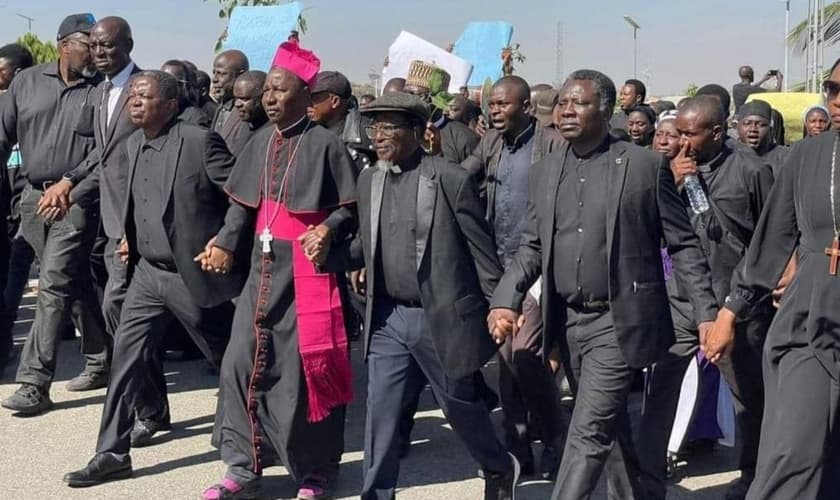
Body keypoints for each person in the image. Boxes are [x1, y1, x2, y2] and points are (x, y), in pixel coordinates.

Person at [488, 69, 718, 500]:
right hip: (569, 321)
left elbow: (684, 244)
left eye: (580, 103)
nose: (567, 110)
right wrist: (506, 299)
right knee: (613, 427)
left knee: (588, 429)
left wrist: (706, 313)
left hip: (620, 320)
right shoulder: (546, 171)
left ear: (606, 109)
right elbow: (532, 248)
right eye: (563, 103)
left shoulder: (644, 167)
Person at [322, 91, 520, 500]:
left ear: (417, 131)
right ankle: (377, 494)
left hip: (440, 318)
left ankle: (499, 465)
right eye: (373, 127)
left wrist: (500, 305)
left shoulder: (450, 179)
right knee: (382, 414)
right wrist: (329, 255)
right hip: (388, 318)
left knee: (460, 407)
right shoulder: (370, 178)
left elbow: (482, 254)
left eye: (388, 127)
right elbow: (366, 246)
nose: (377, 136)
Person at [62, 69, 244, 488]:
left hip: (190, 275)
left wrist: (225, 241)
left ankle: (263, 428)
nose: (134, 102)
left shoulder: (200, 142)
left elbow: (239, 197)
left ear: (170, 105)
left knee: (230, 357)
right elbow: (141, 200)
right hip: (146, 273)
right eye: (132, 97)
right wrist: (131, 236)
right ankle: (111, 452)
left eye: (144, 96)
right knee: (126, 359)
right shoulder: (132, 145)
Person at [206, 42, 358, 500]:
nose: (269, 98)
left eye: (279, 89)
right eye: (267, 91)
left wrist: (328, 229)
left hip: (306, 275)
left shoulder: (327, 145)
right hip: (261, 271)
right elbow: (241, 209)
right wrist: (224, 245)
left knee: (302, 374)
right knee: (240, 365)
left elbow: (349, 209)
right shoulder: (258, 142)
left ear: (304, 95)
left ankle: (315, 473)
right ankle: (243, 467)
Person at [706, 58, 840, 500]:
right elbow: (771, 241)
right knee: (793, 452)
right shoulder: (809, 155)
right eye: (832, 89)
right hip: (812, 321)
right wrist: (731, 310)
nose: (837, 100)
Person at [0, 13, 111, 415]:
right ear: (65, 45)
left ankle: (34, 382)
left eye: (102, 44)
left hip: (77, 198)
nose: (98, 51)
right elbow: (2, 134)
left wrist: (71, 182)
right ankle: (102, 358)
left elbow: (106, 150)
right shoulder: (26, 83)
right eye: (90, 44)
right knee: (72, 280)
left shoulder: (102, 90)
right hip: (33, 199)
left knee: (52, 281)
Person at [670, 95, 775, 500]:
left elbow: (770, 240)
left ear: (716, 132)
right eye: (677, 133)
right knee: (666, 382)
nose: (681, 141)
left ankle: (754, 474)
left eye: (689, 134)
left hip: (741, 303)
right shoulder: (678, 170)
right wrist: (676, 181)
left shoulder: (751, 170)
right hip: (686, 296)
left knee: (748, 398)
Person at [462, 75, 566, 478]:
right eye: (491, 105)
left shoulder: (553, 144)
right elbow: (463, 176)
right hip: (499, 268)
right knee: (505, 361)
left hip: (538, 268)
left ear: (525, 107)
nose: (494, 111)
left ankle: (556, 436)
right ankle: (518, 444)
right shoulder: (490, 142)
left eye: (503, 105)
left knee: (525, 356)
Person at [0, 42, 34, 371]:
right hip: (4, 209)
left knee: (14, 278)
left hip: (30, 208)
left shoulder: (35, 108)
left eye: (2, 70)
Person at [307, 70, 375, 170]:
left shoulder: (367, 137)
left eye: (314, 99)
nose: (309, 104)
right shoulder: (306, 132)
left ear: (335, 101)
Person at [736, 99, 789, 176]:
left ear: (770, 130)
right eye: (747, 124)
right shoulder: (729, 157)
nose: (753, 129)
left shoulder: (786, 157)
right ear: (738, 128)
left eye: (761, 125)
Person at [210, 50, 249, 148]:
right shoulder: (221, 107)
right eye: (214, 73)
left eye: (221, 74)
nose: (214, 79)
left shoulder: (248, 111)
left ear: (240, 75)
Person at [161, 60, 211, 128]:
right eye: (160, 82)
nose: (164, 87)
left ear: (184, 86)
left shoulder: (196, 119)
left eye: (170, 82)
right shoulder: (158, 114)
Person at [229, 70, 268, 157]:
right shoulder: (243, 126)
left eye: (245, 99)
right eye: (236, 98)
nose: (237, 104)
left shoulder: (273, 132)